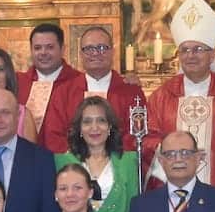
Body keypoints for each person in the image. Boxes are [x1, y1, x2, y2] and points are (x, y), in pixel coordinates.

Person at [143, 0, 215, 187]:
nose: (191, 55)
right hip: (172, 188)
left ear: (212, 55)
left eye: (198, 49)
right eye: (185, 50)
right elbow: (147, 139)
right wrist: (177, 155)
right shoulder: (161, 97)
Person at [40, 25, 148, 154]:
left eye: (102, 47)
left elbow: (137, 135)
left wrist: (107, 159)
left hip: (118, 162)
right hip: (73, 163)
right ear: (81, 54)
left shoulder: (131, 92)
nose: (96, 53)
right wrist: (79, 158)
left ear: (112, 52)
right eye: (89, 49)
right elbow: (54, 135)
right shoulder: (63, 93)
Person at [20, 23, 83, 139]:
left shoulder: (80, 82)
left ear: (63, 49)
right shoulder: (17, 82)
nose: (43, 53)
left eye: (50, 47)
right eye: (37, 48)